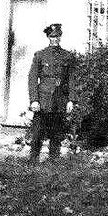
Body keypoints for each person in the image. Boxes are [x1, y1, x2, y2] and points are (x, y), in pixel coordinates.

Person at [27, 22, 77, 162]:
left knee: (56, 133)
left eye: (57, 36)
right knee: (37, 133)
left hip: (59, 99)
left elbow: (71, 79)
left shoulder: (67, 56)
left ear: (60, 37)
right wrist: (34, 100)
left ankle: (53, 161)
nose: (55, 39)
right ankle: (33, 160)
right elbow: (32, 78)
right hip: (43, 100)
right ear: (48, 37)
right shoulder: (40, 55)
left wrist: (71, 100)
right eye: (52, 36)